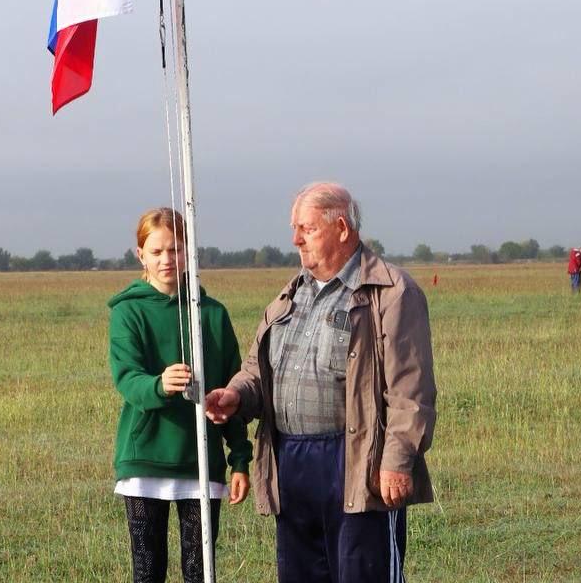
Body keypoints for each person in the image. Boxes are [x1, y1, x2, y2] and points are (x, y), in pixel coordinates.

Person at [205, 182, 437, 583]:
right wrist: (236, 395)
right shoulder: (290, 295)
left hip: (357, 461)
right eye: (295, 228)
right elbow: (260, 371)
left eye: (306, 229)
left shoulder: (392, 293)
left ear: (342, 229)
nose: (295, 239)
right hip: (291, 462)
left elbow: (410, 393)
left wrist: (397, 463)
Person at [109, 208, 252, 583]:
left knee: (200, 570)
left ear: (189, 251)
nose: (166, 259)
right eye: (156, 252)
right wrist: (159, 384)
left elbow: (232, 388)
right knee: (148, 569)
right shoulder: (128, 311)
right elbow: (126, 378)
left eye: (175, 249)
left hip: (200, 460)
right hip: (145, 460)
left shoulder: (213, 314)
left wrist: (239, 458)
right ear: (140, 255)